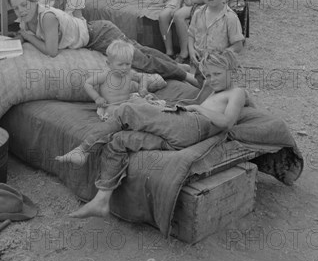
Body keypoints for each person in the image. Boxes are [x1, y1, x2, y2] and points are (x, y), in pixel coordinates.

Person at [63, 49, 247, 218]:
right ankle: (101, 200)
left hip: (191, 126)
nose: (211, 79)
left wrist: (197, 108)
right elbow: (194, 105)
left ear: (231, 71)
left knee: (127, 110)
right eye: (208, 75)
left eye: (217, 74)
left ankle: (83, 149)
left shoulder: (236, 92)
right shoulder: (214, 90)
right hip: (179, 137)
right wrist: (165, 106)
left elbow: (227, 122)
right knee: (119, 141)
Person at [39, 0, 199, 88]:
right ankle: (177, 66)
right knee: (139, 49)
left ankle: (184, 75)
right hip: (94, 32)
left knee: (139, 59)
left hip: (98, 33)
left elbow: (78, 18)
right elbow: (44, 20)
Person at [8, 0, 89, 57]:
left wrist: (28, 37)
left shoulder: (48, 17)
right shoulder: (24, 19)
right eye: (16, 8)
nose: (21, 10)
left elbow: (51, 52)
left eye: (24, 5)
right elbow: (25, 33)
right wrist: (21, 37)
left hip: (95, 34)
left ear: (35, 0)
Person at [187, 0, 244, 69]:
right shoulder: (198, 13)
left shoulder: (230, 18)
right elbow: (191, 35)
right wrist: (191, 51)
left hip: (219, 68)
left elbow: (238, 46)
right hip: (197, 66)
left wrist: (221, 57)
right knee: (195, 84)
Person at [84, 39, 150, 121]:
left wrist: (143, 87)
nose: (124, 68)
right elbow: (87, 84)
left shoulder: (129, 74)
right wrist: (97, 98)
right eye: (120, 64)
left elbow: (143, 76)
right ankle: (132, 117)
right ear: (109, 64)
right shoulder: (105, 76)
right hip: (110, 106)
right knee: (116, 111)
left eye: (128, 64)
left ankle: (145, 114)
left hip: (126, 103)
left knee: (141, 102)